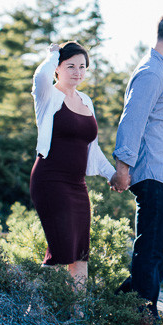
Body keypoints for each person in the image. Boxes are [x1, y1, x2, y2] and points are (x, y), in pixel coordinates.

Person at [111, 12, 163, 318]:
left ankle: (125, 300)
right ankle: (142, 316)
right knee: (151, 249)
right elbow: (132, 119)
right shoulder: (150, 73)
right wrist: (123, 166)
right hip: (155, 175)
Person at [30, 41, 115, 291]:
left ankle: (79, 316)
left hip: (78, 187)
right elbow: (39, 76)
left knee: (80, 252)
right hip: (50, 182)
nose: (77, 72)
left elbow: (93, 150)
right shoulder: (47, 95)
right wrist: (53, 54)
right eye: (70, 66)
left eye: (82, 66)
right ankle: (33, 307)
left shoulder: (86, 100)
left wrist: (113, 175)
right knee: (61, 250)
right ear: (57, 68)